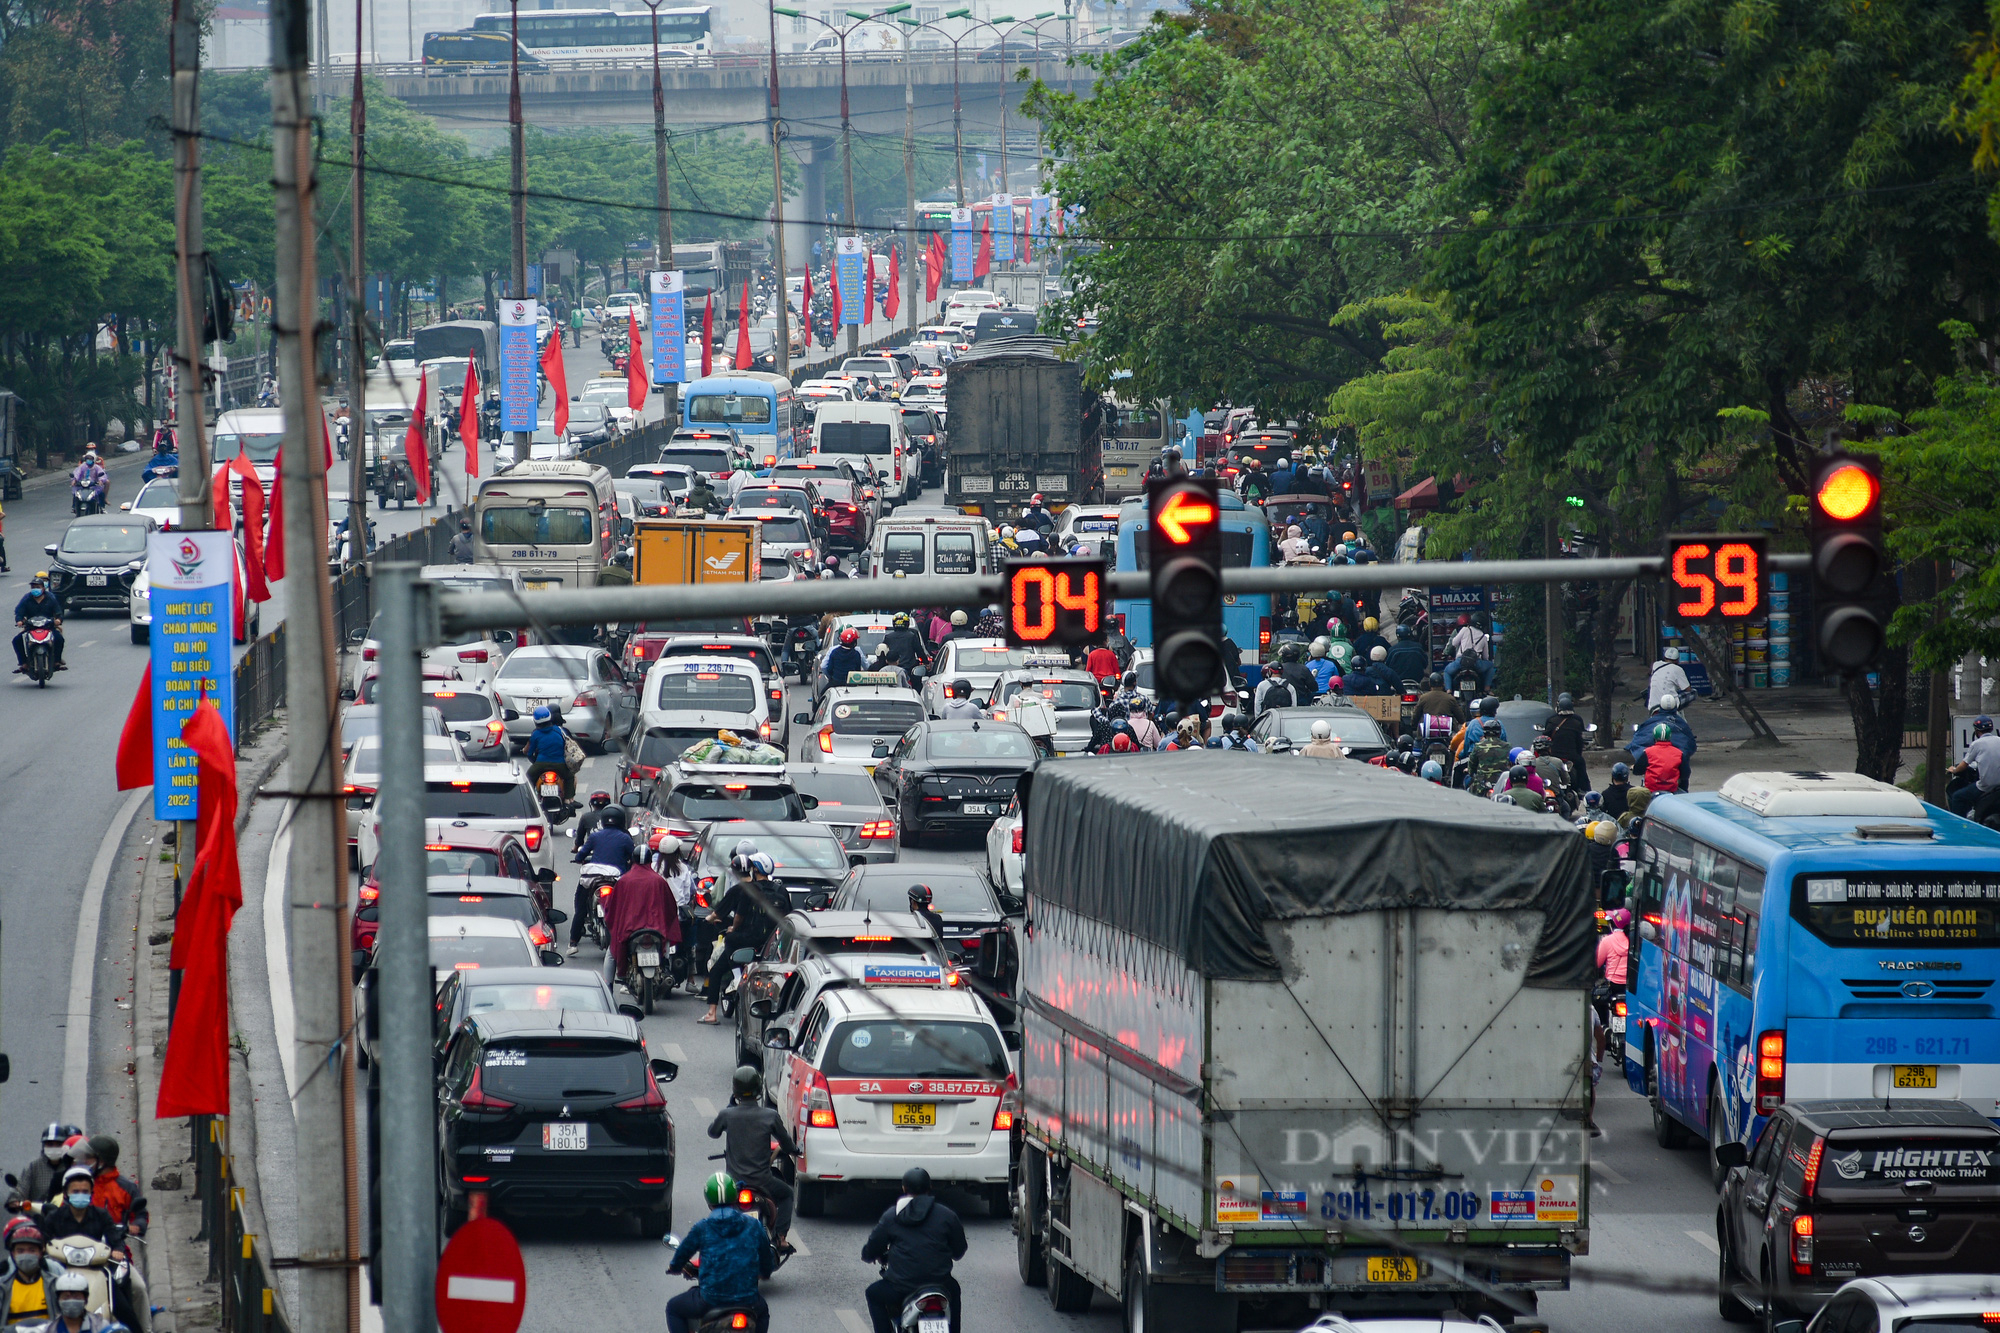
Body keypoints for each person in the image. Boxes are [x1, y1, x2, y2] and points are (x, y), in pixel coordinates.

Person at [861, 1167, 967, 1333]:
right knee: (954, 1290)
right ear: (929, 1187)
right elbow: (959, 1251)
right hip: (941, 1285)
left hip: (901, 1287)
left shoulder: (892, 1215)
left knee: (873, 1294)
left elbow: (872, 1248)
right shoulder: (947, 1215)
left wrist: (871, 1255)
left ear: (904, 1189)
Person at [667, 1172, 776, 1333]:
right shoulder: (754, 1225)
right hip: (748, 1300)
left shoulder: (702, 1228)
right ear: (734, 1196)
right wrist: (765, 1272)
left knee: (673, 1309)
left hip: (710, 1300)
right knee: (763, 1312)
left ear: (709, 1201)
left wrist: (675, 1268)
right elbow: (767, 1260)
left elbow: (682, 1254)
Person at [709, 1068, 800, 1253]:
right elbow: (787, 1144)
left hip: (733, 1184)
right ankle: (781, 1238)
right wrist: (795, 1150)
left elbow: (713, 1132)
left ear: (735, 1091)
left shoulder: (727, 1115)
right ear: (759, 1090)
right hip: (763, 1183)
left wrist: (729, 1109)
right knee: (787, 1194)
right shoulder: (770, 1116)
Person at [699, 848, 785, 1024]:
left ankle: (712, 1012)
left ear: (756, 870)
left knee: (717, 968)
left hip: (746, 939)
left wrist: (733, 928)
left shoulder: (748, 890)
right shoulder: (781, 890)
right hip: (772, 943)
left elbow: (738, 916)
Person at [604, 844, 679, 985]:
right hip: (657, 930)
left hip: (629, 929)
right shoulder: (659, 881)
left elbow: (612, 908)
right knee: (667, 946)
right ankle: (666, 967)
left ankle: (607, 988)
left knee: (611, 953)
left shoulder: (624, 881)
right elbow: (671, 908)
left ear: (633, 860)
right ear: (650, 861)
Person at [570, 805, 636, 953]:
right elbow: (633, 858)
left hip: (594, 878)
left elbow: (580, 855)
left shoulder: (594, 836)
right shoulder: (625, 838)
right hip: (617, 878)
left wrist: (579, 858)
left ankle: (573, 942)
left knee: (580, 906)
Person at [34, 1167, 121, 1246]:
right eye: (75, 1192)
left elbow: (115, 1239)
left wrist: (118, 1250)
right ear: (65, 1194)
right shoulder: (54, 1217)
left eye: (85, 1192)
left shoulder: (102, 1215)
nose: (80, 1195)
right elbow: (43, 1241)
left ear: (91, 1193)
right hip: (60, 1262)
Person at [1949, 716, 2000, 820]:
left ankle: (1958, 825)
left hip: (1986, 786)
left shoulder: (1977, 744)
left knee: (1957, 797)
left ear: (1977, 731)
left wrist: (1953, 770)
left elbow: (1964, 765)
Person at [4, 1222, 56, 1325]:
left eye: (32, 1250)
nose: (26, 1255)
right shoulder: (3, 1288)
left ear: (41, 1252)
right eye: (20, 1251)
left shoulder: (55, 1285)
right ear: (13, 1254)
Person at [13, 573, 64, 672]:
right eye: (33, 587)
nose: (35, 589)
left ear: (43, 588)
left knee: (59, 639)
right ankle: (24, 663)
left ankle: (56, 661)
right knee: (17, 640)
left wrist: (58, 620)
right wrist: (19, 620)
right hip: (31, 627)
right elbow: (19, 612)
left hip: (48, 627)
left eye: (37, 587)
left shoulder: (50, 598)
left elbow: (59, 612)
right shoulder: (27, 599)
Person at [524, 707, 572, 800]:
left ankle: (530, 799)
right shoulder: (559, 730)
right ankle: (568, 800)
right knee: (570, 777)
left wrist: (535, 762)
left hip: (541, 764)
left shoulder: (535, 734)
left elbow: (529, 753)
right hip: (560, 764)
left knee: (528, 779)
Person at [1545, 692, 1591, 791]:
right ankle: (1585, 790)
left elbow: (1546, 738)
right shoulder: (1576, 722)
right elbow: (1579, 743)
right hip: (1572, 756)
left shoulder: (1551, 720)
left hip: (1554, 755)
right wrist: (1578, 754)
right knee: (1581, 765)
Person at [1635, 723, 1683, 793]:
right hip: (1672, 790)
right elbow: (1685, 774)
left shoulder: (1648, 752)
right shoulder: (1679, 753)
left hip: (1652, 790)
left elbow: (1637, 771)